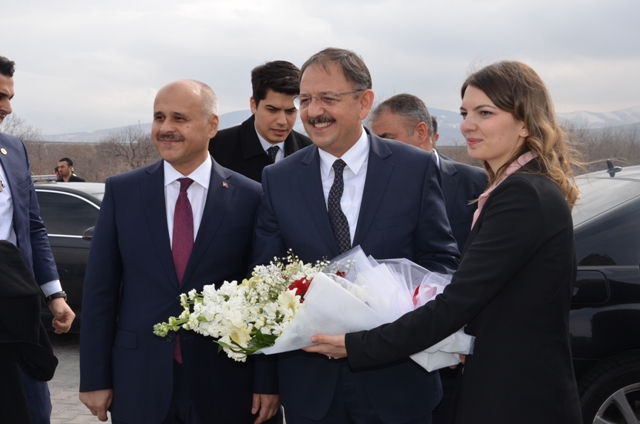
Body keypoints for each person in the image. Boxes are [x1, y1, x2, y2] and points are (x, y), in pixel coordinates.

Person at [305, 61, 583, 424]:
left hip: (518, 397)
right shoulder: (517, 188)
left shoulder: (523, 194)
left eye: (485, 112)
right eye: (465, 112)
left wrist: (358, 345)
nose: (468, 124)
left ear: (526, 122)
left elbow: (458, 302)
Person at [252, 47, 460, 424]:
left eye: (328, 98)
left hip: (398, 385)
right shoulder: (278, 179)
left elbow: (440, 265)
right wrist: (265, 380)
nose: (313, 112)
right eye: (306, 99)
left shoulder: (412, 169)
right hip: (312, 391)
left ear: (364, 103)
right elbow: (264, 280)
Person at [79, 80, 278, 423]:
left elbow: (264, 297)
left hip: (226, 382)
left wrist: (267, 382)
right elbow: (100, 292)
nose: (166, 129)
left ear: (212, 125)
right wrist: (94, 378)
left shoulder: (251, 196)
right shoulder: (122, 192)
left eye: (179, 118)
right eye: (159, 118)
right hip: (140, 379)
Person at [0, 55, 76, 423]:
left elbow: (33, 227)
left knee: (32, 410)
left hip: (16, 310)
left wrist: (55, 294)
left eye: (10, 96)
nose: (7, 107)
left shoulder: (14, 151)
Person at [369, 94, 487, 251]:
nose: (381, 148)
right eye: (376, 142)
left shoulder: (476, 184)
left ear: (421, 132)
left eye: (387, 139)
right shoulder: (372, 187)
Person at [209, 60, 312, 182]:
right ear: (253, 105)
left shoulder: (312, 153)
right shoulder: (215, 148)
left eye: (290, 111)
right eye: (272, 110)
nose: (282, 121)